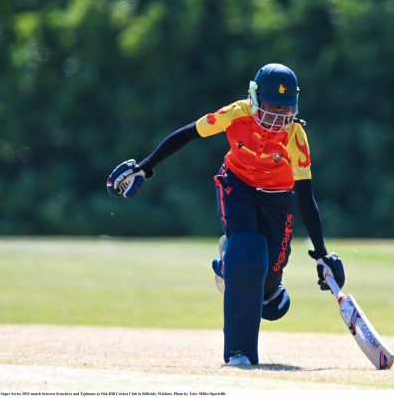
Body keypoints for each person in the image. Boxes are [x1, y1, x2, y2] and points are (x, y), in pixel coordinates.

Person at [107, 63, 346, 366]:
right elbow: (189, 133)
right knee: (246, 251)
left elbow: (306, 195)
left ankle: (234, 270)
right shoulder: (237, 113)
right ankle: (239, 350)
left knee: (271, 299)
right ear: (255, 98)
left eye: (285, 111)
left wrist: (321, 254)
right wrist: (147, 165)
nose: (278, 118)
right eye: (272, 108)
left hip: (277, 198)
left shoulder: (295, 136)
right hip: (238, 185)